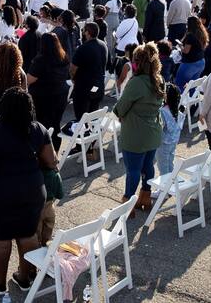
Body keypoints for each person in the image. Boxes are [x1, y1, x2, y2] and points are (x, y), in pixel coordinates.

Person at [0, 87, 56, 295]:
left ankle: (0, 282)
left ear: (3, 109)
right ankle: (24, 277)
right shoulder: (38, 130)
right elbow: (52, 161)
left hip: (1, 194)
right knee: (28, 236)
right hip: (32, 191)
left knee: (1, 239)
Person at [113, 43, 164, 215]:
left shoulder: (136, 83)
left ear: (137, 62)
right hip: (153, 133)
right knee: (148, 166)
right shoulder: (159, 79)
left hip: (135, 134)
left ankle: (128, 202)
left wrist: (121, 114)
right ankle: (145, 197)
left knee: (133, 170)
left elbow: (120, 108)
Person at [25, 32, 70, 149]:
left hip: (43, 97)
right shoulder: (63, 56)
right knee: (56, 123)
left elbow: (29, 79)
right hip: (61, 94)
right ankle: (54, 150)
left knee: (42, 125)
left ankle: (43, 152)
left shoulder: (40, 60)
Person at [70, 22, 107, 121]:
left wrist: (73, 78)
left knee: (81, 118)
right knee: (93, 116)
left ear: (88, 32)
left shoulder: (83, 48)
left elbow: (73, 68)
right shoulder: (103, 45)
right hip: (98, 86)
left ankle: (84, 134)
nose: (82, 32)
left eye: (84, 30)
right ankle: (92, 135)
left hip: (84, 88)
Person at [157, 82, 184, 176]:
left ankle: (164, 189)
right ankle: (171, 183)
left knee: (162, 167)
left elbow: (159, 129)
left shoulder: (162, 112)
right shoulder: (178, 111)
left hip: (163, 144)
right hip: (173, 142)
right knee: (169, 163)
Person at [174, 16, 208, 90]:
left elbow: (186, 51)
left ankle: (178, 100)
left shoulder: (191, 35)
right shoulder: (201, 33)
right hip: (201, 62)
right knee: (192, 86)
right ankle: (190, 100)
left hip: (190, 63)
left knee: (179, 84)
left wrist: (180, 46)